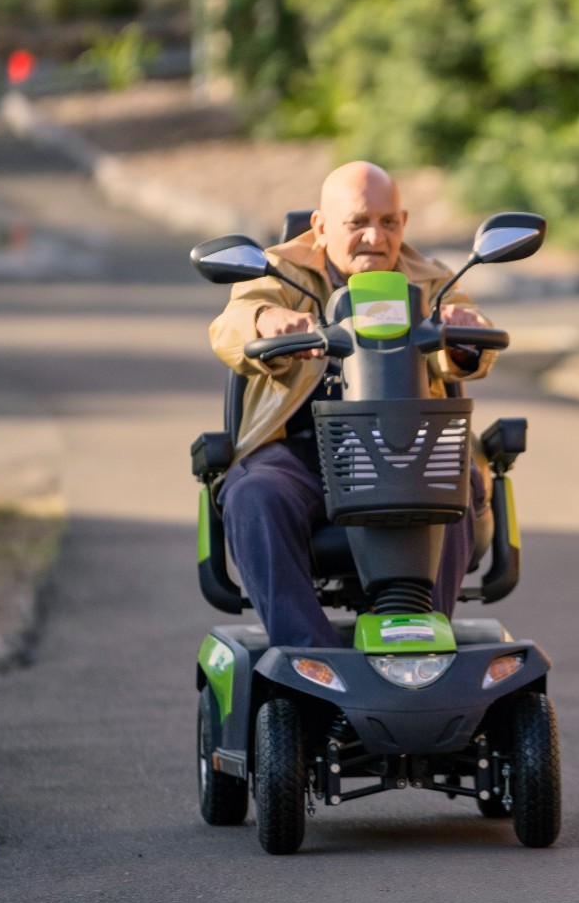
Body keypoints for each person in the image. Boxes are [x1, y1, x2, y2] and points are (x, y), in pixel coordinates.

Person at [209, 160, 496, 649]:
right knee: (254, 493)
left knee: (460, 477)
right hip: (299, 456)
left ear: (403, 223)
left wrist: (465, 332)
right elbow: (232, 323)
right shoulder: (279, 271)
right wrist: (266, 320)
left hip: (403, 454)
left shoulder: (431, 280)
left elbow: (469, 349)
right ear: (320, 228)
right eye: (357, 222)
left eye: (387, 222)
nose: (374, 237)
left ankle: (423, 645)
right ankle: (310, 660)